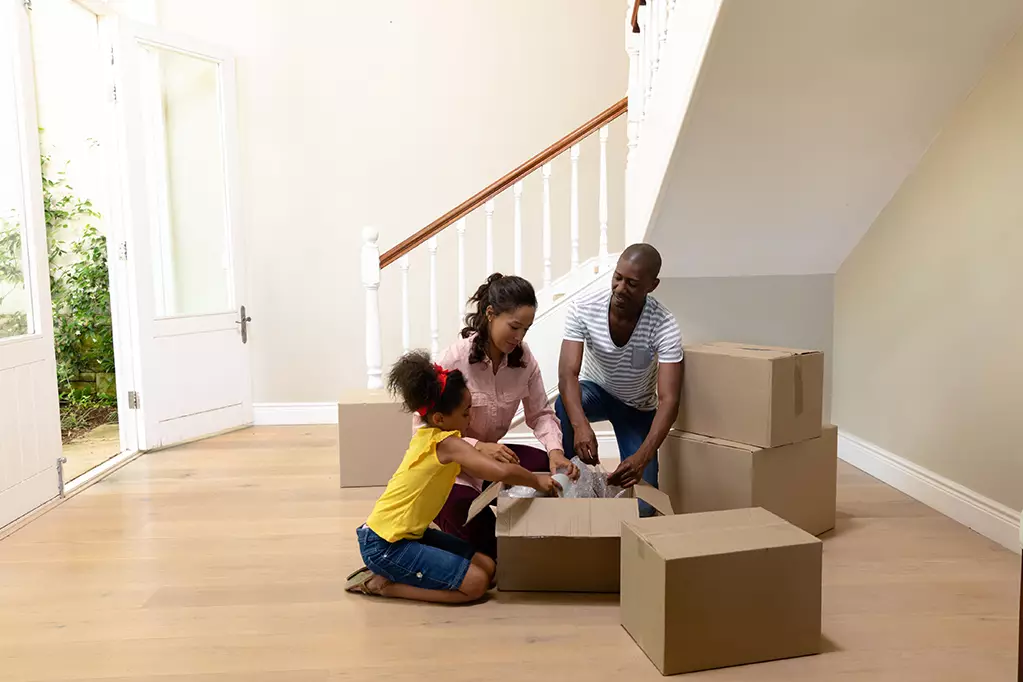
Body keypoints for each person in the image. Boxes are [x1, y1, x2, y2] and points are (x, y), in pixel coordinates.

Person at [346, 351, 559, 603]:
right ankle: (381, 585)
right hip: (384, 545)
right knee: (477, 584)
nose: (470, 419)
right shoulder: (446, 443)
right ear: (439, 419)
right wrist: (537, 481)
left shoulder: (432, 435)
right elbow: (499, 471)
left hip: (408, 534)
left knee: (488, 567)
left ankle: (396, 573)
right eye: (466, 413)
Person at [430, 273, 578, 559]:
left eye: (526, 329)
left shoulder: (523, 361)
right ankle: (443, 520)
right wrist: (478, 447)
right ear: (490, 314)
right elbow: (423, 432)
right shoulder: (453, 361)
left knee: (552, 471)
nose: (519, 337)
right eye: (514, 327)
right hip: (451, 469)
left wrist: (556, 452)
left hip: (492, 463)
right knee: (497, 553)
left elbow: (541, 414)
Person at [556, 244, 682, 516]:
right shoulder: (584, 307)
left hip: (637, 408)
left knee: (644, 506)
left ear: (652, 285)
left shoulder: (664, 324)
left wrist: (642, 458)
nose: (620, 288)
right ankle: (570, 480)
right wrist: (580, 426)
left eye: (632, 283)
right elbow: (567, 374)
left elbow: (670, 400)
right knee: (563, 406)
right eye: (618, 277)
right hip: (596, 393)